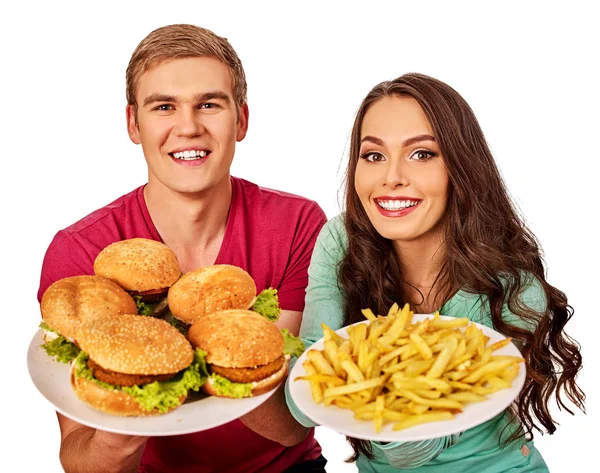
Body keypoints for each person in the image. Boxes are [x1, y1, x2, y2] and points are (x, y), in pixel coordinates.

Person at [37, 24, 328, 473]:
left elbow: (292, 427)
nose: (188, 127)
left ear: (242, 120)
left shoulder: (296, 225)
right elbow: (78, 457)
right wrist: (118, 434)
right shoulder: (81, 255)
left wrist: (214, 347)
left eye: (209, 104)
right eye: (164, 107)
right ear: (134, 123)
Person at [285, 73, 585, 472]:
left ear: (460, 167)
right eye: (373, 156)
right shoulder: (342, 240)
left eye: (422, 154)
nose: (391, 177)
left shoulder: (511, 287)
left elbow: (416, 452)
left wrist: (367, 390)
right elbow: (302, 402)